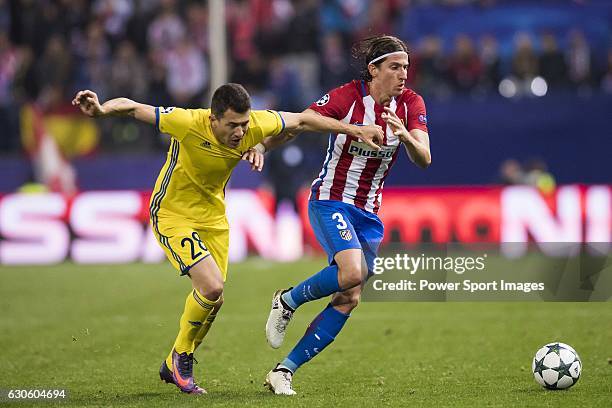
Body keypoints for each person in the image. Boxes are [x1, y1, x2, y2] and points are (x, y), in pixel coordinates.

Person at [71, 83, 383, 395]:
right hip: (173, 214)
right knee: (211, 286)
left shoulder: (256, 124)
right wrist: (101, 110)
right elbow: (133, 106)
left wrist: (353, 130)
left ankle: (176, 361)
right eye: (232, 125)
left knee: (214, 300)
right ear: (213, 120)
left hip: (214, 219)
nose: (240, 131)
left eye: (244, 124)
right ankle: (181, 358)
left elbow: (302, 120)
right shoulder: (187, 122)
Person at [263, 35, 431, 395]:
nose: (403, 74)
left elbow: (425, 158)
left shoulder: (411, 104)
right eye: (395, 67)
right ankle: (288, 300)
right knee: (353, 271)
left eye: (406, 67)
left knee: (349, 296)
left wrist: (406, 137)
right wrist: (352, 128)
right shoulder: (347, 96)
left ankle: (283, 371)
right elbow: (305, 120)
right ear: (374, 70)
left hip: (369, 213)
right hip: (330, 200)